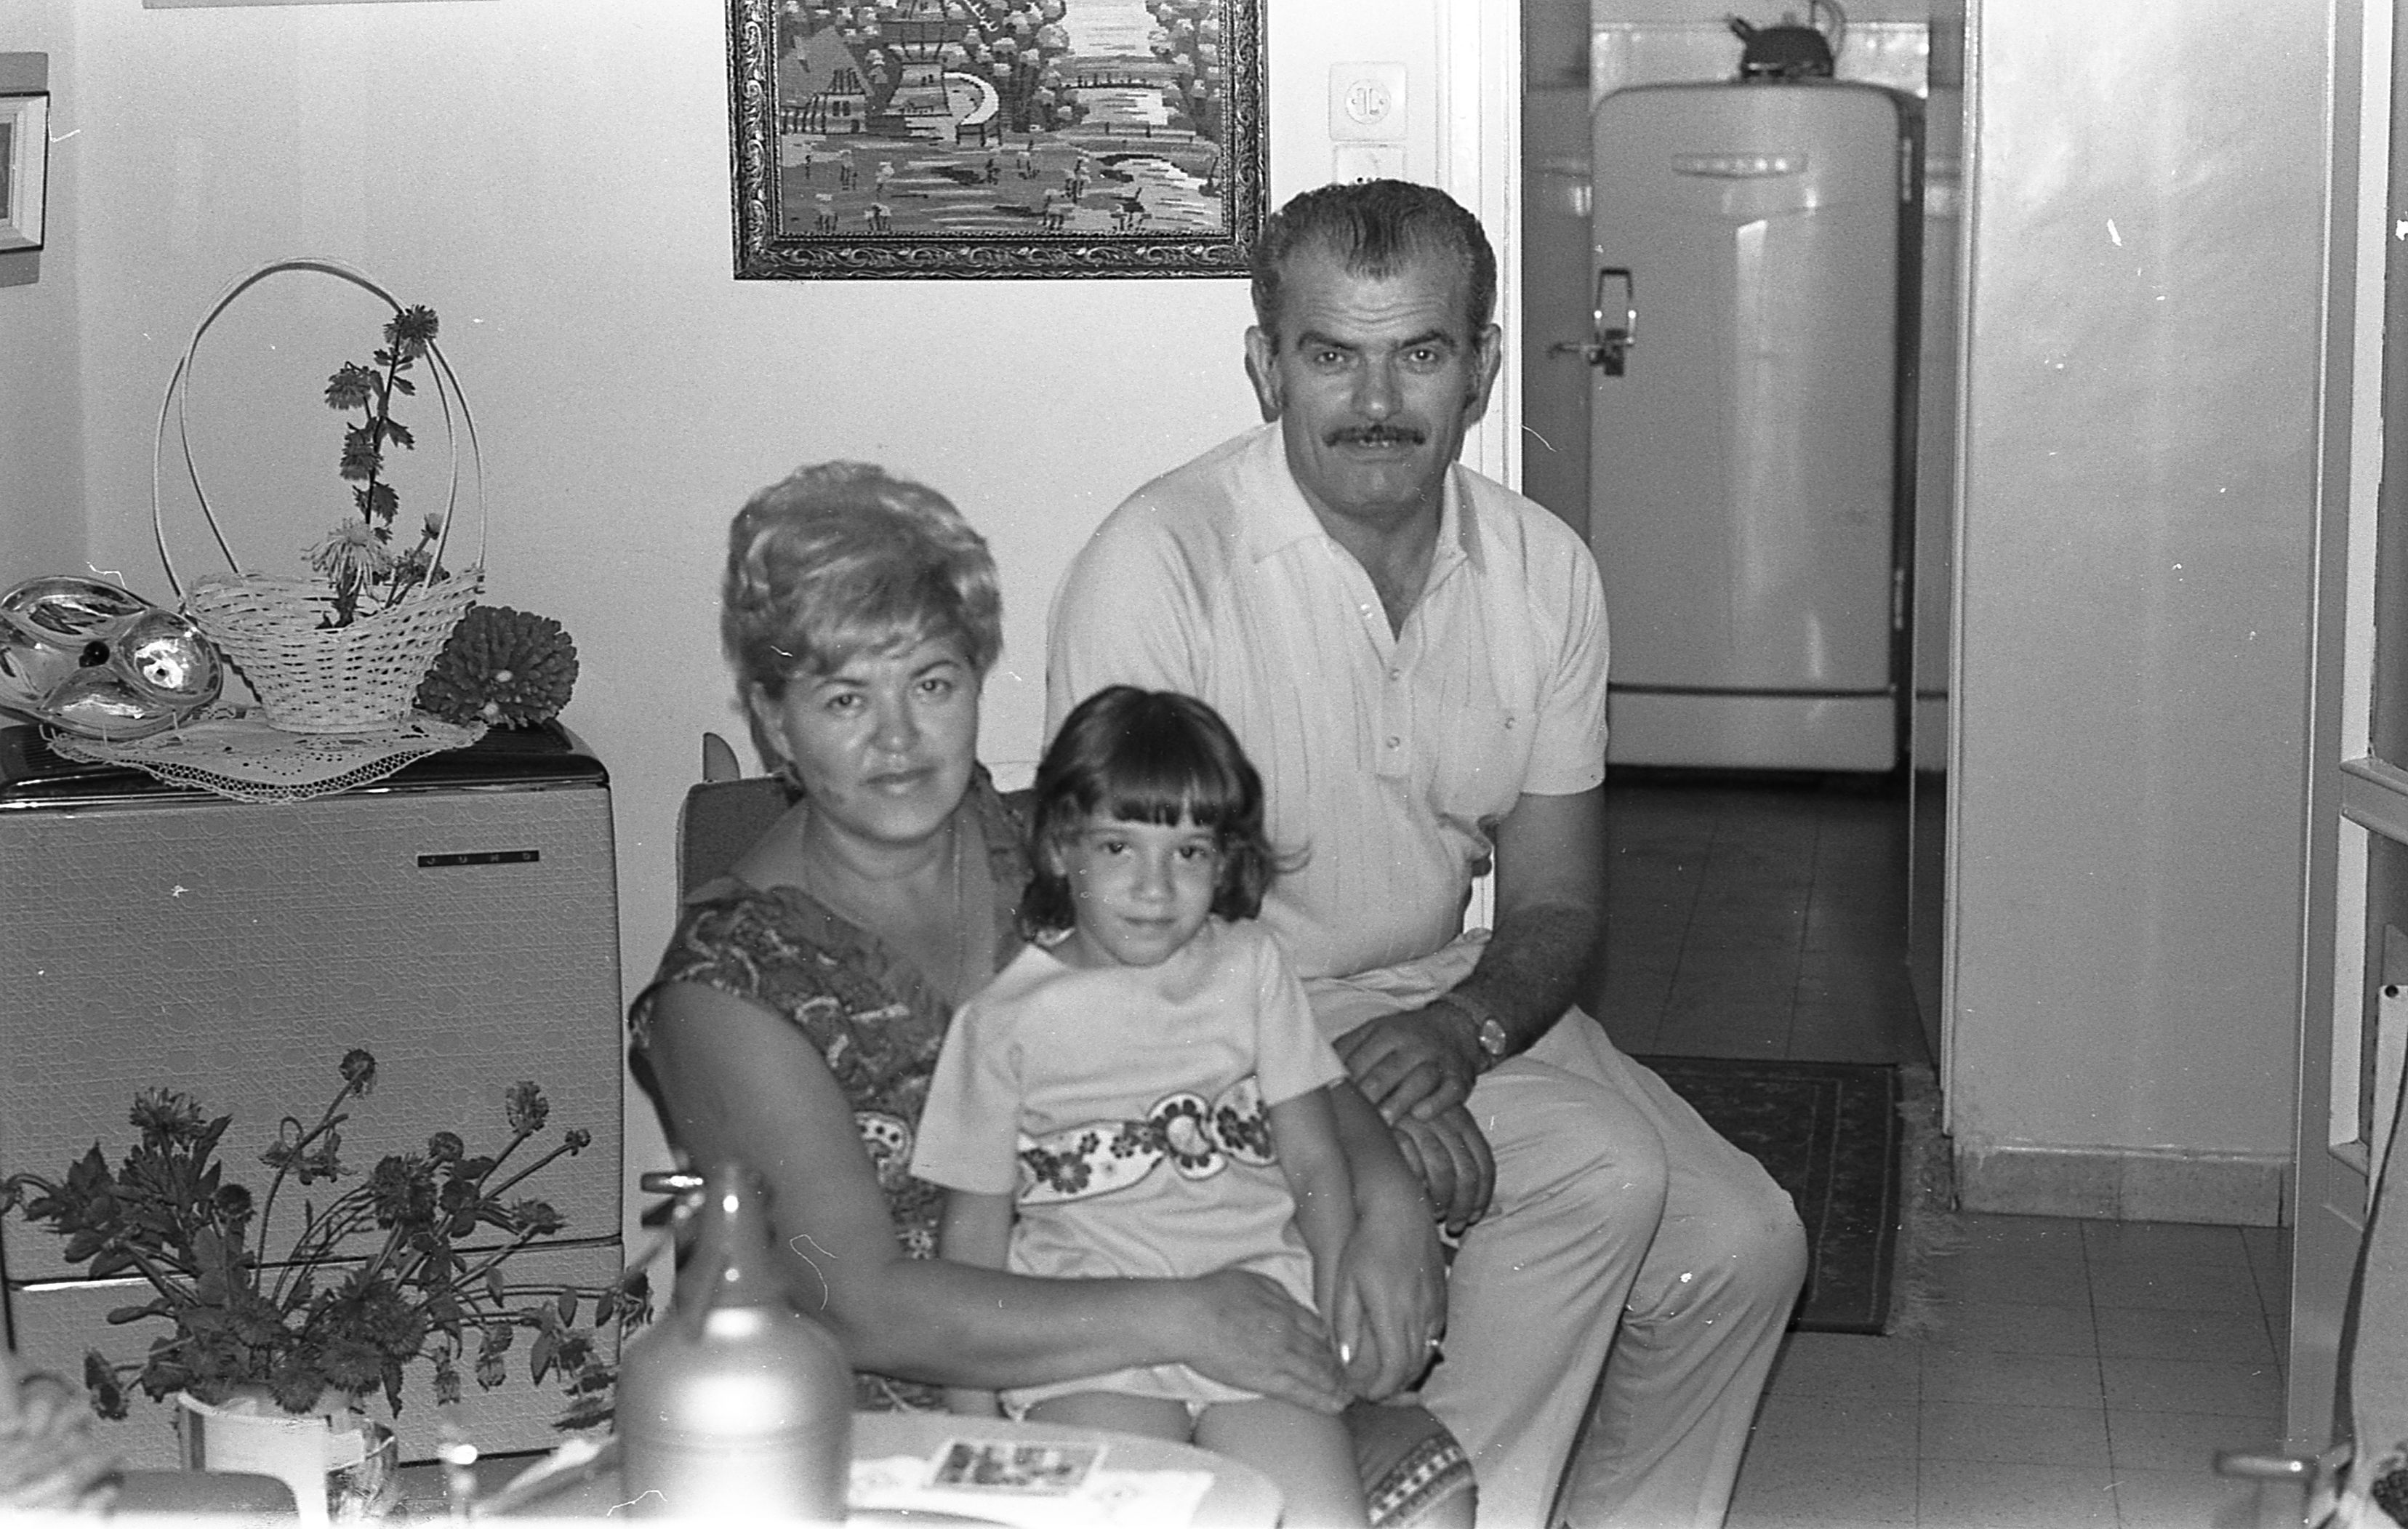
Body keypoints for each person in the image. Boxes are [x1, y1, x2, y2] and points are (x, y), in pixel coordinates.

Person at [1046, 180, 1810, 1529]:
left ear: (1483, 365)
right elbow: (1125, 929)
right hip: (1220, 1014)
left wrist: (1464, 1030)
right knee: (1600, 1168)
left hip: (1437, 985)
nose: (1376, 401)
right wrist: (1344, 1094)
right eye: (1331, 354)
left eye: (1420, 352)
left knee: (1745, 1240)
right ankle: (1449, 1503)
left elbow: (1557, 899)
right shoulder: (1160, 563)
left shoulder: (1544, 570)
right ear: (1266, 364)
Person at [630, 462, 1473, 1528]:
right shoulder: (728, 986)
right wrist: (1188, 1317)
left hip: (1207, 1328)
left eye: (932, 683)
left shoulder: (1067, 850)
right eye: (845, 698)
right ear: (775, 719)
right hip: (896, 1416)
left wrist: (1386, 1199)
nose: (898, 738)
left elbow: (1265, 1046)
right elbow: (863, 1304)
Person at [915, 686, 1368, 1528]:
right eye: (1119, 846)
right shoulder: (1001, 1020)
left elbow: (1315, 1160)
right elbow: (972, 1239)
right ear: (1061, 848)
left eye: (1188, 852)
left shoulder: (1252, 967)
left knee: (1318, 1516)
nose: (1155, 887)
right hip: (1090, 1349)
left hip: (1262, 1317)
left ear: (1224, 861)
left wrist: (1341, 1309)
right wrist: (972, 1425)